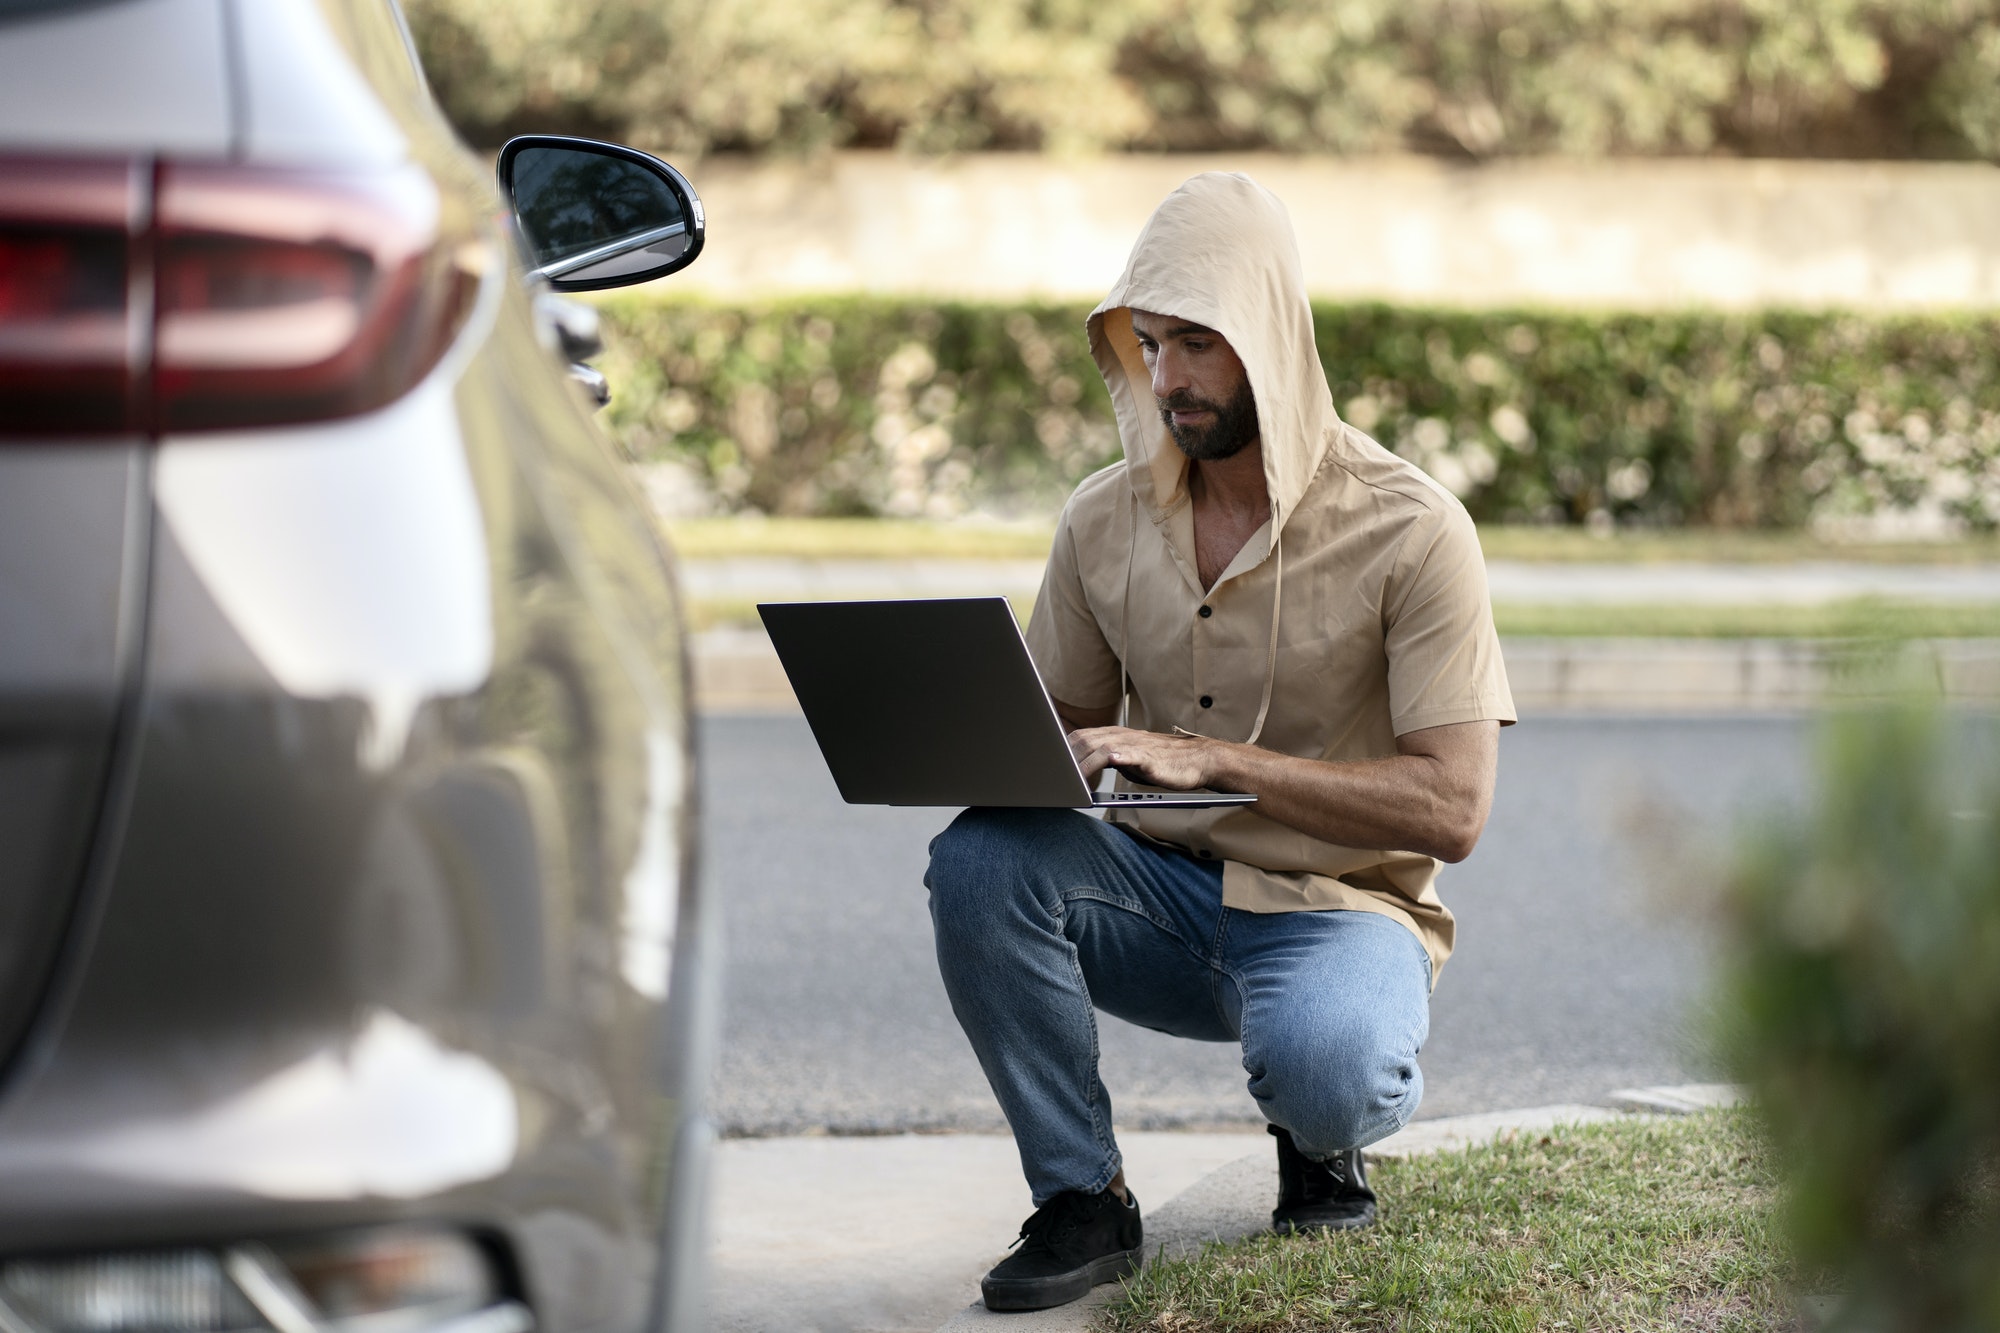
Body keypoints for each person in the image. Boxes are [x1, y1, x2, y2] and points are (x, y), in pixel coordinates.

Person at [924, 172, 1517, 1313]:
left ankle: (1315, 1134)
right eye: (1148, 344)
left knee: (1332, 1072)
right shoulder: (1100, 518)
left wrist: (1223, 762)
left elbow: (1452, 809)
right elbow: (1060, 722)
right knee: (981, 859)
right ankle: (1081, 1198)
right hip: (1154, 895)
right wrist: (957, 723)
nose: (1169, 380)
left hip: (1335, 912)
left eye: (1198, 343)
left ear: (1272, 340)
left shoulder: (1413, 527)